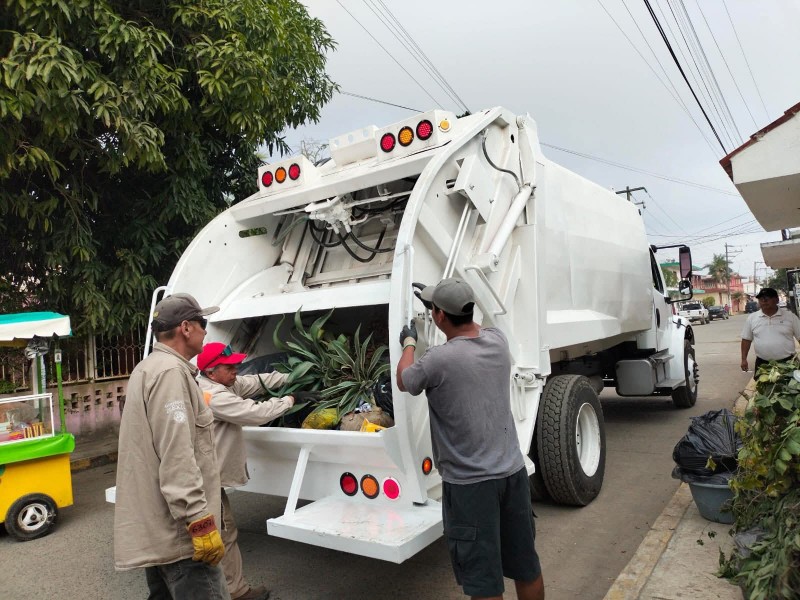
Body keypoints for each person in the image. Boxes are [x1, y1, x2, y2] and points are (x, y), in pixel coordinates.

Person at [396, 278, 544, 600]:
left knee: (483, 580)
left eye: (435, 310)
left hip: (471, 486)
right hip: (513, 475)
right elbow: (472, 328)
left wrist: (409, 342)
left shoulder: (437, 360)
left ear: (439, 315)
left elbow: (404, 380)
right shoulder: (497, 341)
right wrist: (440, 306)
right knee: (526, 566)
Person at [114, 293, 230, 599]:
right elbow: (177, 455)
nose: (206, 331)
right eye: (203, 323)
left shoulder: (148, 368)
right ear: (186, 328)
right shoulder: (170, 374)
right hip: (184, 537)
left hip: (163, 529)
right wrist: (199, 520)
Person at [197, 342, 320, 600]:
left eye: (235, 365)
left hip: (207, 477)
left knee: (218, 532)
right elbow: (255, 413)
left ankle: (224, 589)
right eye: (229, 367)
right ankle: (234, 592)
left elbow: (255, 382)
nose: (236, 371)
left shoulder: (223, 383)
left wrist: (294, 376)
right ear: (211, 372)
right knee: (223, 533)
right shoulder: (212, 395)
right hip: (205, 481)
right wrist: (291, 399)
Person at [741, 287, 800, 373]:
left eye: (767, 298)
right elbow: (746, 340)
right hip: (763, 364)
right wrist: (744, 359)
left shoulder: (790, 317)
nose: (764, 301)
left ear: (777, 300)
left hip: (788, 363)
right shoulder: (752, 318)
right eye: (761, 299)